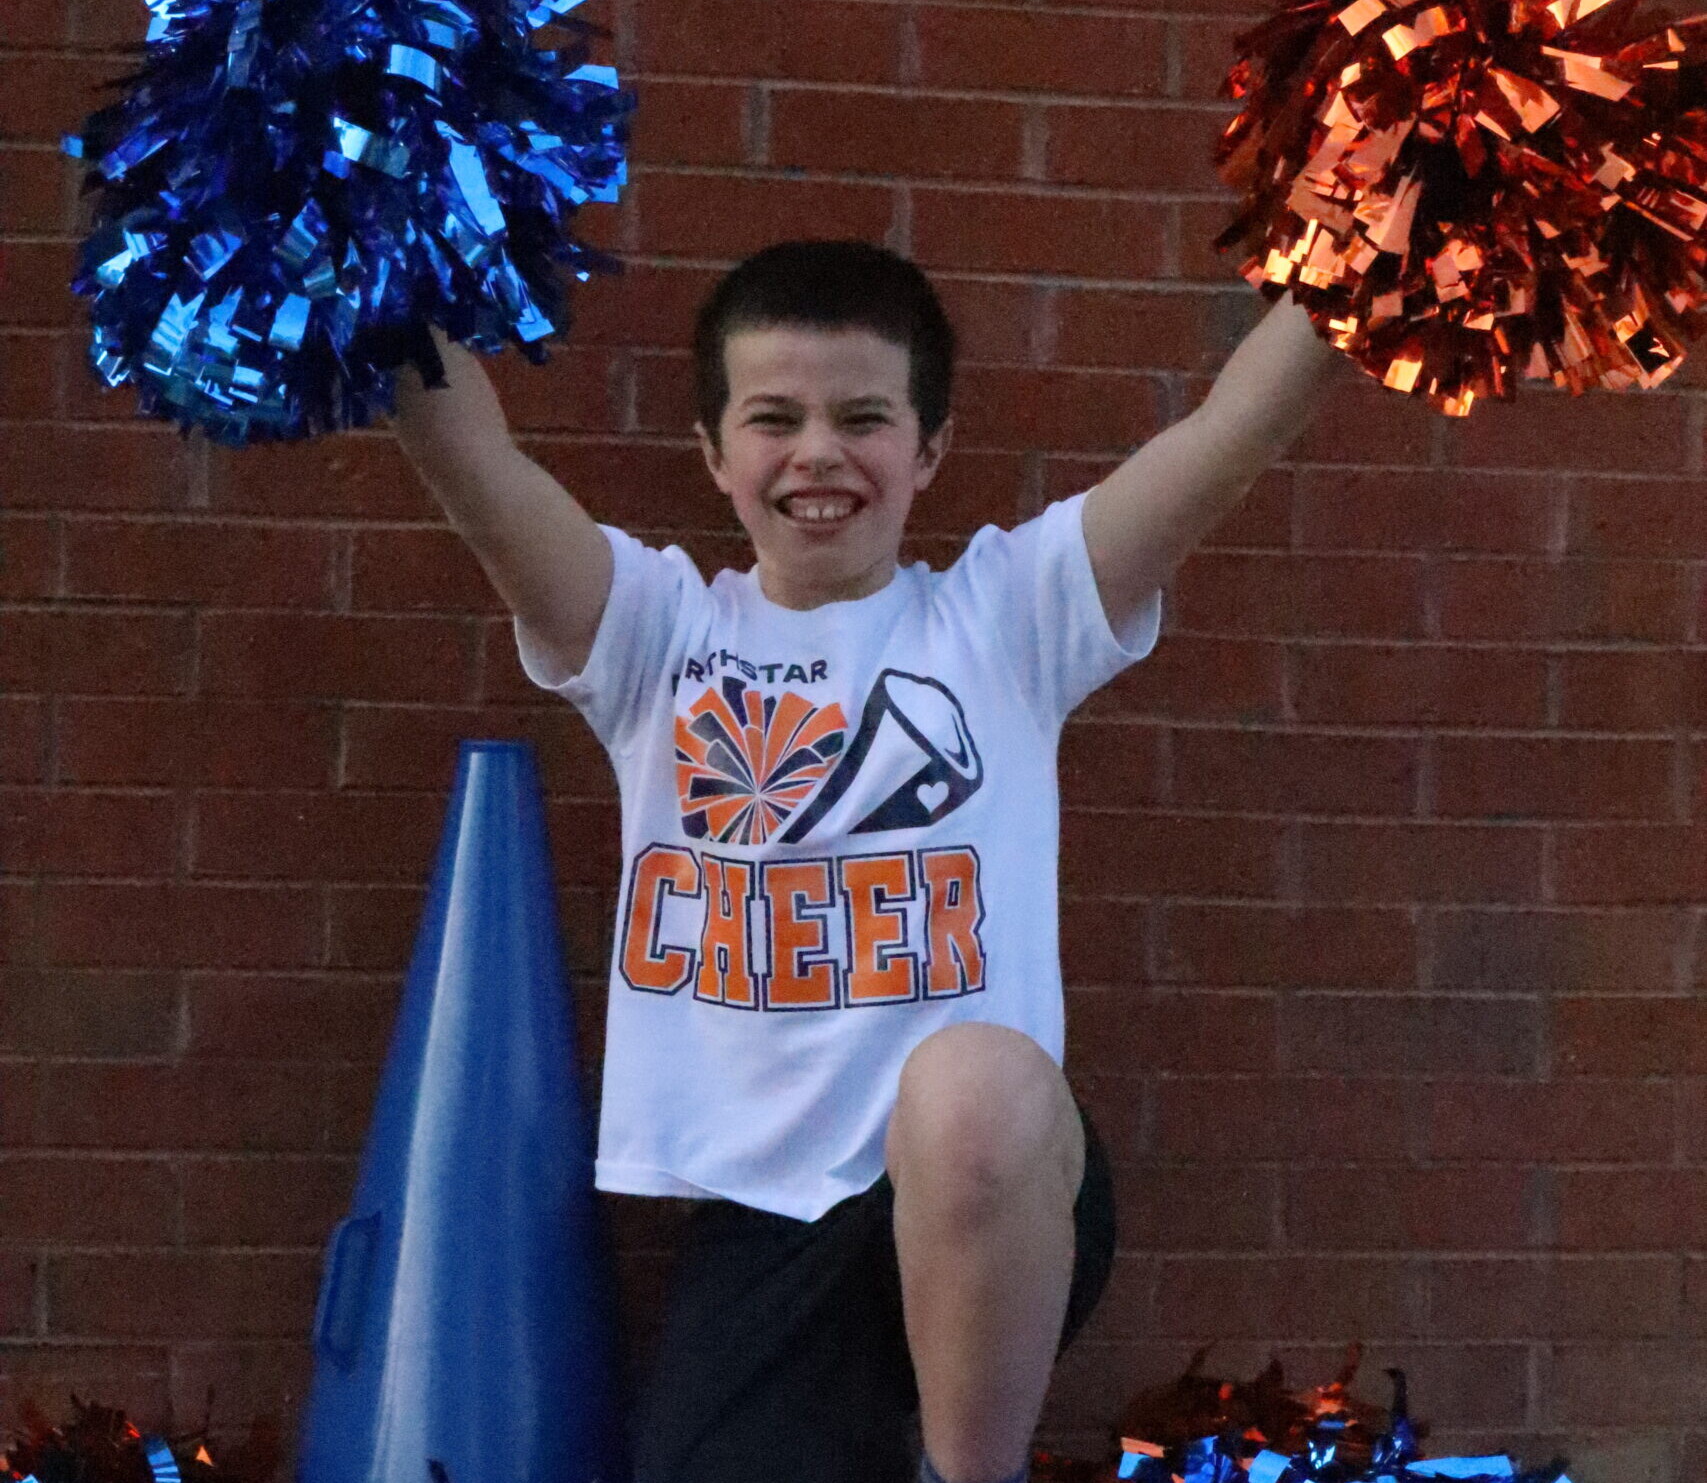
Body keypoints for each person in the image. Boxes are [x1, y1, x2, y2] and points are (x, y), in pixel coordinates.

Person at [389, 239, 1343, 1483]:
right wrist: (368, 224)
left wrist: (1374, 241)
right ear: (714, 452)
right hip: (765, 1224)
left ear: (929, 449)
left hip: (983, 1188)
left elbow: (1235, 425)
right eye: (773, 418)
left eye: (863, 418)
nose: (818, 454)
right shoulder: (652, 637)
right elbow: (474, 462)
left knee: (970, 1085)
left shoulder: (1007, 619)